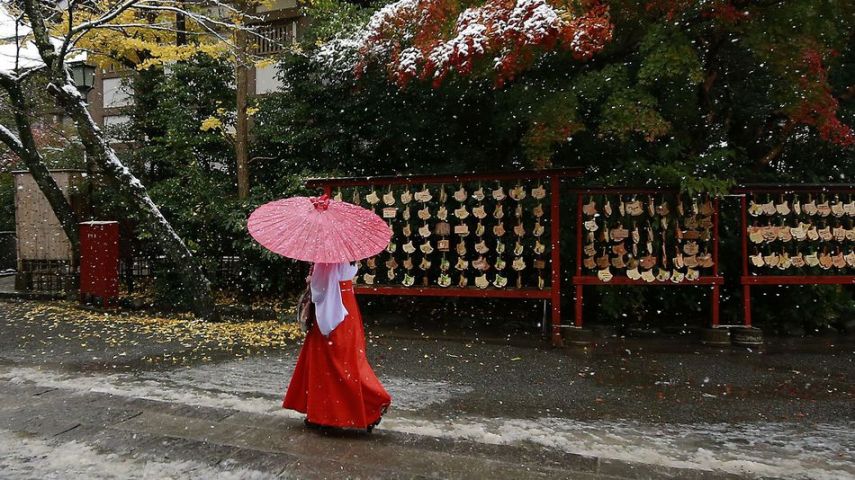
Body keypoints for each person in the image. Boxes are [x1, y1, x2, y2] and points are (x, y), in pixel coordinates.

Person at [283, 262, 391, 432]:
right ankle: (363, 408)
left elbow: (319, 291)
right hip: (347, 304)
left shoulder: (327, 255)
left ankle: (331, 415)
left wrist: (312, 280)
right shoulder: (346, 253)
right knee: (348, 361)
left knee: (330, 364)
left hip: (332, 310)